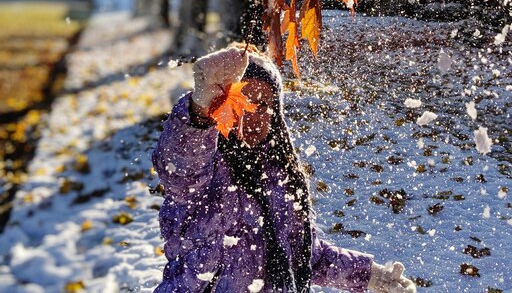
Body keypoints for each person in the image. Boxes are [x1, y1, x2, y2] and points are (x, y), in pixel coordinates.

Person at [152, 47, 416, 292]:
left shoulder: (281, 175)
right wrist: (199, 111)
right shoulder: (202, 169)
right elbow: (178, 168)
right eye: (243, 102)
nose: (254, 114)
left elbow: (305, 255)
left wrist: (369, 275)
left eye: (265, 105)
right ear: (220, 105)